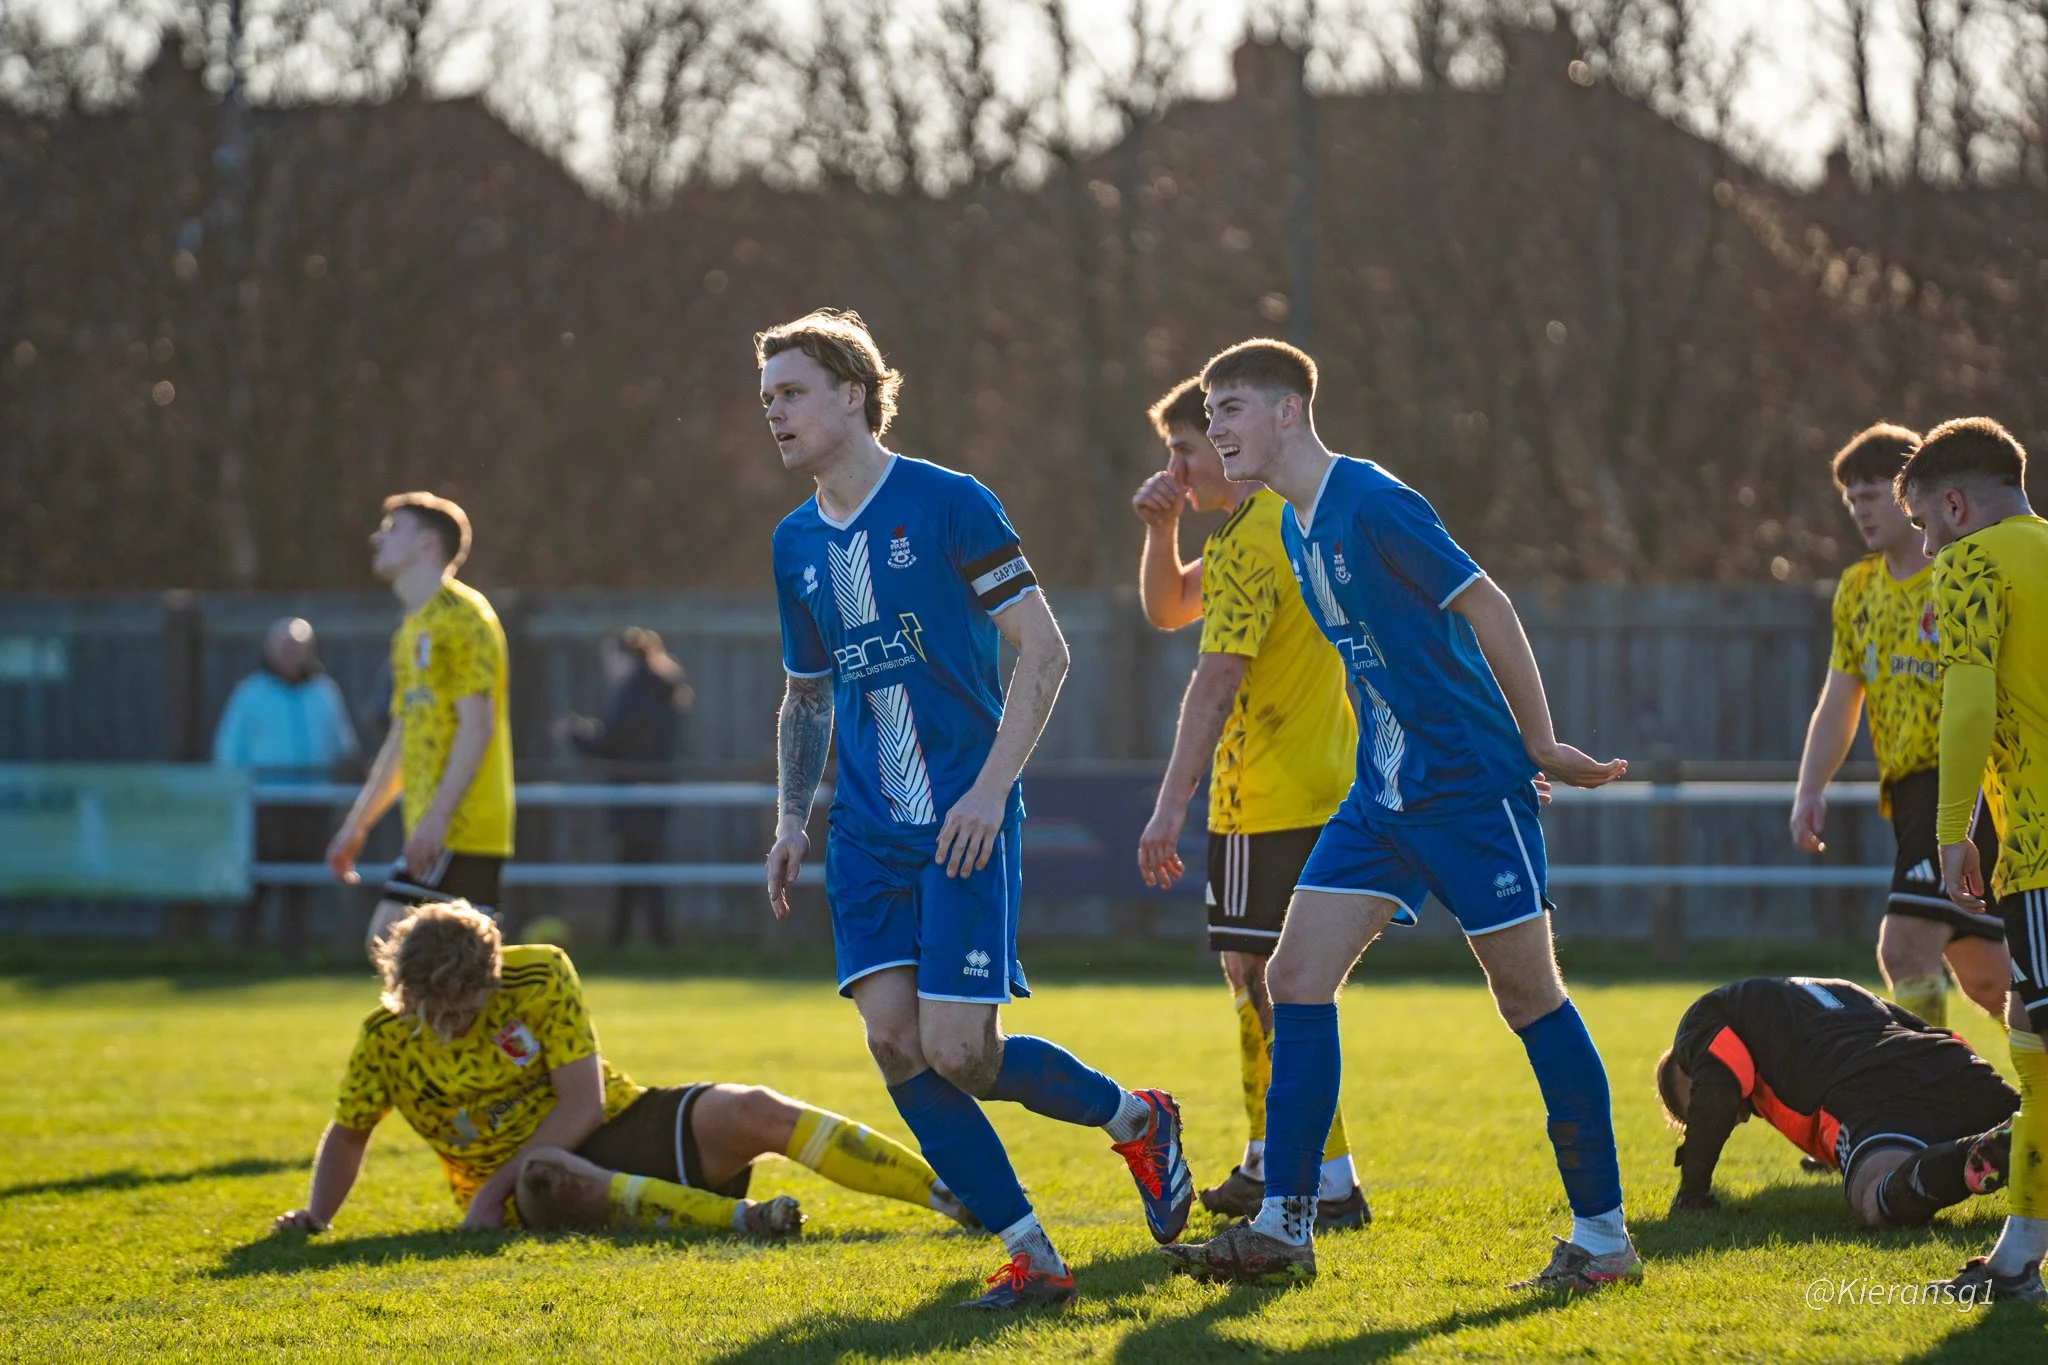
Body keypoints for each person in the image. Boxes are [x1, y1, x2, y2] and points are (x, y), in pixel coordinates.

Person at [1160, 338, 1637, 1293]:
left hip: (1465, 794)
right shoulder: (1290, 525)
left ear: (1290, 412)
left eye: (1233, 408)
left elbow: (1489, 605)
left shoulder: (1374, 501)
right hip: (1379, 800)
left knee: (1528, 998)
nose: (1215, 427)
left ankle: (1604, 1239)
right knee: (1293, 979)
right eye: (1209, 413)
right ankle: (1286, 1223)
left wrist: (1535, 745)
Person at [758, 308, 1192, 1310]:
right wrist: (791, 821)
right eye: (766, 399)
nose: (773, 414)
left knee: (963, 1053)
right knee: (892, 1042)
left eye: (790, 392)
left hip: (963, 822)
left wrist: (991, 791)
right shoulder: (792, 545)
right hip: (865, 833)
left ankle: (1136, 1120)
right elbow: (808, 693)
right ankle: (1033, 1256)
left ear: (853, 396)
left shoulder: (949, 502)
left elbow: (1044, 650)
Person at [274, 901, 970, 1238]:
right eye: (436, 1014)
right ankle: (746, 1221)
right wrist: (312, 1218)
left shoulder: (539, 973)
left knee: (755, 1106)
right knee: (551, 1170)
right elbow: (351, 1133)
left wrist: (490, 1187)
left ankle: (951, 1194)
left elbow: (580, 1104)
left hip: (611, 1122)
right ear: (404, 996)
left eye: (465, 1010)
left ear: (492, 977)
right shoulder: (383, 1038)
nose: (452, 1026)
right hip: (534, 1188)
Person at [1129, 376, 1366, 1229]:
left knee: (1275, 989)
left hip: (1266, 798)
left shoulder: (1250, 540)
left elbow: (1214, 680)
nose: (1178, 468)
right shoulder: (1270, 525)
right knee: (1258, 979)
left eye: (1186, 450)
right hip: (1306, 790)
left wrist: (1166, 808)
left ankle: (1324, 1175)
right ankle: (1272, 1157)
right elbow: (1167, 606)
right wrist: (1164, 530)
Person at [1896, 417, 2048, 1301]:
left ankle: (2021, 1254)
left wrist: (1955, 829)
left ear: (1953, 504)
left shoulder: (1970, 562)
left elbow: (1968, 698)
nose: (1925, 540)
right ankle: (2019, 1253)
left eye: (1923, 521)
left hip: (2039, 851)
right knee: (2031, 1025)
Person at [1791, 424, 2008, 1026]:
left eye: (1872, 495)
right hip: (1910, 791)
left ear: (1913, 492)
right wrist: (1811, 787)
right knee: (1990, 977)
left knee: (1905, 946)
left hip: (1970, 783)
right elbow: (1840, 699)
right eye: (1851, 499)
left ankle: (1935, 1102)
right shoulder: (1858, 588)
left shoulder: (1959, 574)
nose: (1860, 510)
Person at [1656, 976, 2014, 1228]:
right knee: (2029, 1120)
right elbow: (1935, 1034)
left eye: (1693, 1105)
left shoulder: (1705, 1020)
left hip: (1866, 1091)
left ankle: (1970, 1155)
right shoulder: (1829, 992)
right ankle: (2016, 1133)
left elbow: (1716, 1094)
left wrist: (1693, 1193)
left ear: (1689, 1065)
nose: (1736, 1121)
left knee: (1878, 1196)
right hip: (1949, 1062)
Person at [324, 492, 515, 956]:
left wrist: (438, 818)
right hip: (434, 826)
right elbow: (401, 742)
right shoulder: (411, 629)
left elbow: (477, 727)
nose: (377, 538)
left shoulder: (465, 618)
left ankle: (525, 1027)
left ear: (428, 543)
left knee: (396, 950)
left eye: (393, 529)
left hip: (463, 824)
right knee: (438, 975)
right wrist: (358, 826)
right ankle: (517, 1031)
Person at [213, 617, 360, 955]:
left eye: (297, 648)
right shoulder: (251, 693)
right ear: (269, 650)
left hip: (311, 803)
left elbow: (343, 745)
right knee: (257, 880)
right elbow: (227, 749)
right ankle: (242, 952)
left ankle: (295, 952)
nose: (291, 655)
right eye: (284, 647)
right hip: (265, 805)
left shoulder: (324, 692)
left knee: (302, 881)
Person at [552, 628, 693, 948]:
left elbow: (612, 741)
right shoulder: (656, 690)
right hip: (651, 793)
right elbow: (623, 737)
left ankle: (647, 943)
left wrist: (575, 735)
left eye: (611, 659)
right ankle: (634, 942)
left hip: (636, 795)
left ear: (626, 658)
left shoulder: (639, 692)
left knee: (641, 869)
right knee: (639, 867)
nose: (607, 668)